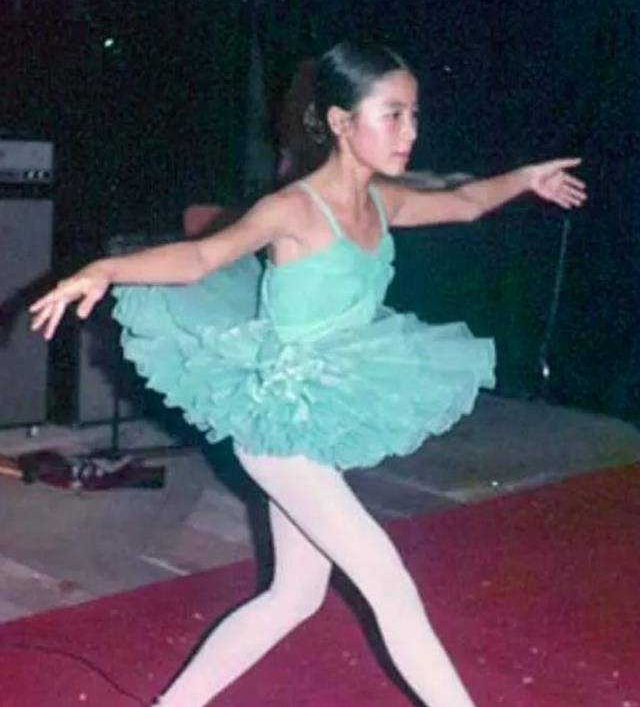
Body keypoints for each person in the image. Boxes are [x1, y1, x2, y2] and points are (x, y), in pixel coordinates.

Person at [30, 41, 586, 707]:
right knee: (387, 580)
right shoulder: (294, 209)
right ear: (343, 122)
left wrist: (526, 178)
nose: (410, 131)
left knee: (294, 596)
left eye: (413, 115)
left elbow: (465, 201)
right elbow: (202, 257)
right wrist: (105, 269)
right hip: (277, 418)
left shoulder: (382, 200)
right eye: (393, 114)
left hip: (319, 407)